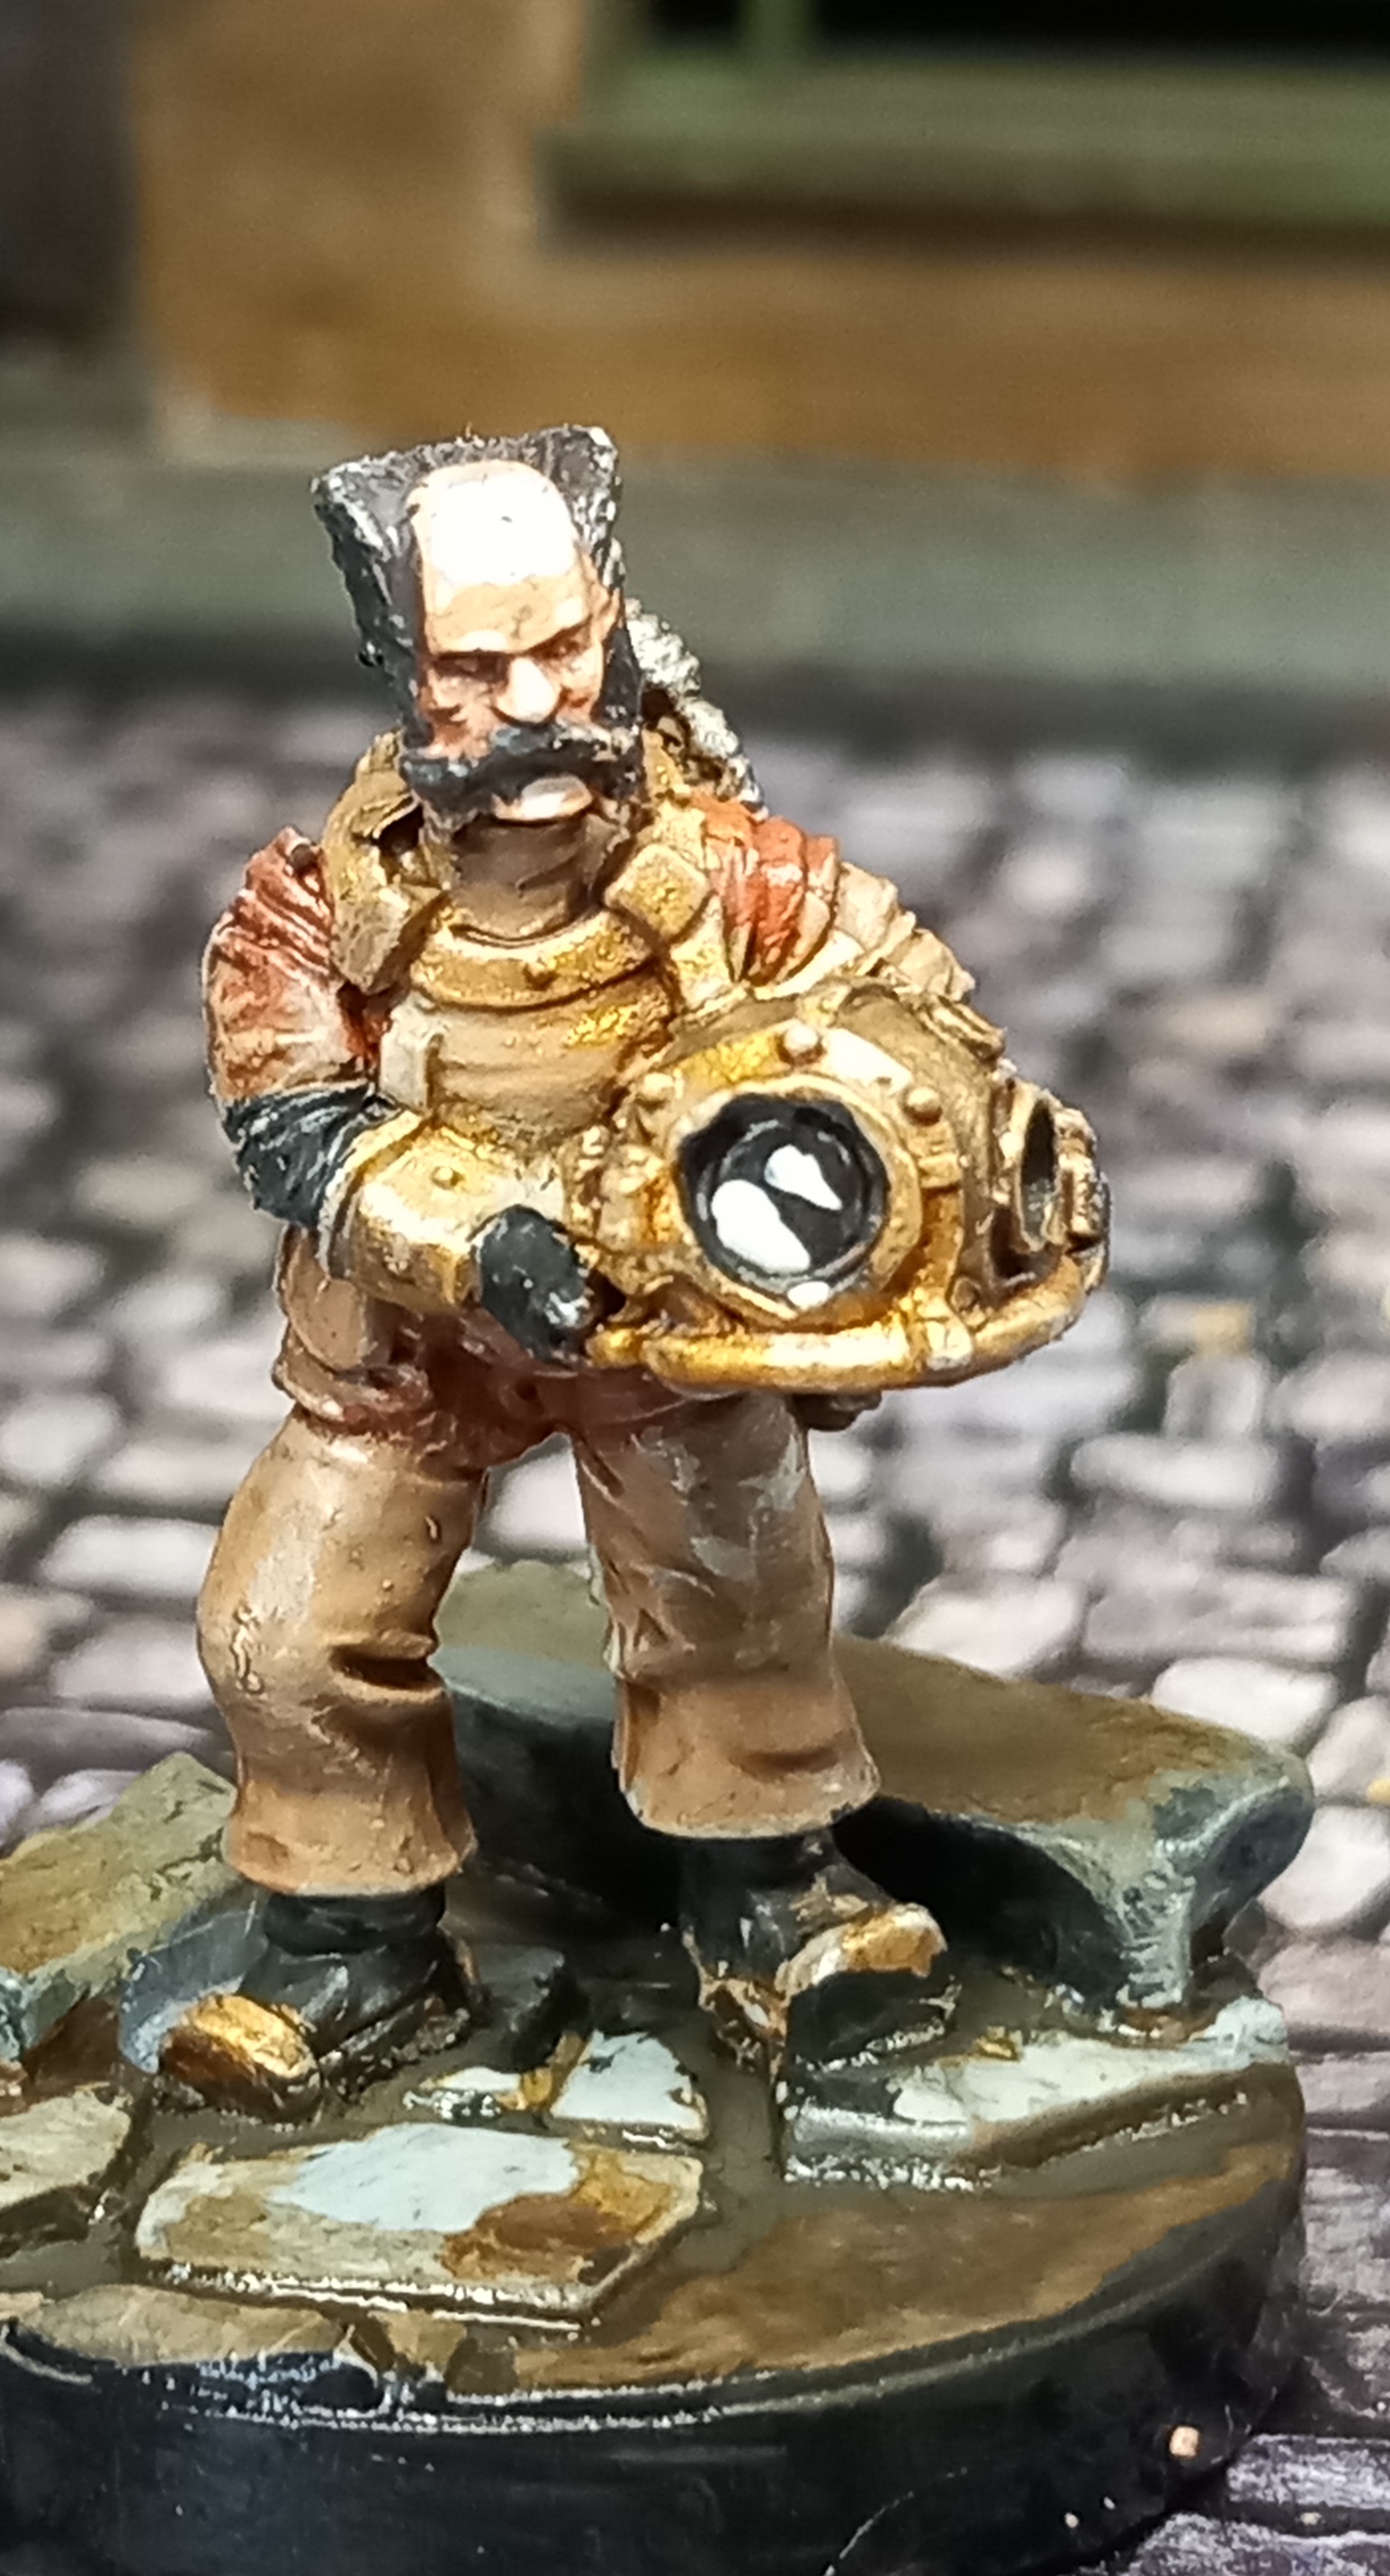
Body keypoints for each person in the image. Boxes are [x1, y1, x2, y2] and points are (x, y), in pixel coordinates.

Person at [165, 428, 1000, 2109]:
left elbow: (926, 1034)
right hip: (410, 1342)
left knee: (736, 1594)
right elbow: (292, 1118)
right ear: (406, 674)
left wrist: (922, 1182)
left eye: (563, 651)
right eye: (479, 673)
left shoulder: (751, 890)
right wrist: (479, 1238)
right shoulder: (319, 910)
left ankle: (769, 1898)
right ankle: (350, 1941)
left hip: (674, 1328)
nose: (537, 704)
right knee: (287, 1621)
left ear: (612, 629)